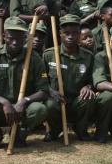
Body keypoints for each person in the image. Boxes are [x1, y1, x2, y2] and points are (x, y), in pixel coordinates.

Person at [0, 16, 50, 150]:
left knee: (40, 109)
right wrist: (4, 102)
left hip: (22, 110)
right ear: (4, 36)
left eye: (19, 38)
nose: (15, 42)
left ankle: (20, 135)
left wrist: (24, 101)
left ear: (25, 37)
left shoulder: (33, 58)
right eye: (11, 38)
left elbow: (44, 90)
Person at [43, 14, 101, 142]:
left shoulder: (88, 56)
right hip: (57, 101)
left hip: (77, 102)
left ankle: (80, 129)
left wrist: (88, 86)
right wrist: (50, 91)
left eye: (74, 33)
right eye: (66, 33)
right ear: (60, 34)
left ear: (79, 34)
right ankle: (54, 130)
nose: (70, 36)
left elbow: (93, 80)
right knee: (49, 104)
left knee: (89, 97)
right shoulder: (49, 55)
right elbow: (40, 81)